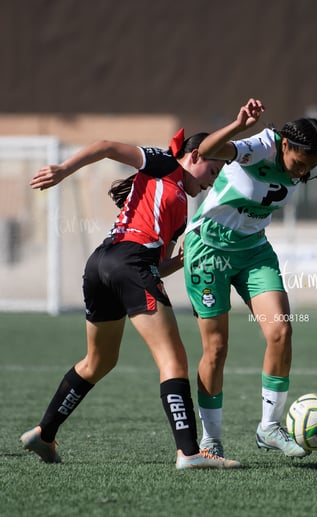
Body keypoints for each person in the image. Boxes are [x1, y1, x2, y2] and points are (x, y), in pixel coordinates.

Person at [20, 129, 241, 469]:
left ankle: (44, 434)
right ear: (195, 155)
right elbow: (106, 146)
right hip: (126, 262)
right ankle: (189, 453)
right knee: (173, 359)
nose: (212, 182)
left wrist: (181, 261)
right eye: (213, 171)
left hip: (103, 265)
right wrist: (62, 170)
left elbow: (156, 266)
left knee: (99, 361)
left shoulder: (181, 211)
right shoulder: (165, 164)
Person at [183, 98, 317, 459]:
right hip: (209, 249)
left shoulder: (306, 164)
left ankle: (269, 427)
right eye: (300, 164)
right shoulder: (258, 148)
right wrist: (240, 124)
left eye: (309, 167)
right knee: (217, 348)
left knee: (281, 331)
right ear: (285, 145)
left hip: (254, 251)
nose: (303, 174)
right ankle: (210, 439)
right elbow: (206, 150)